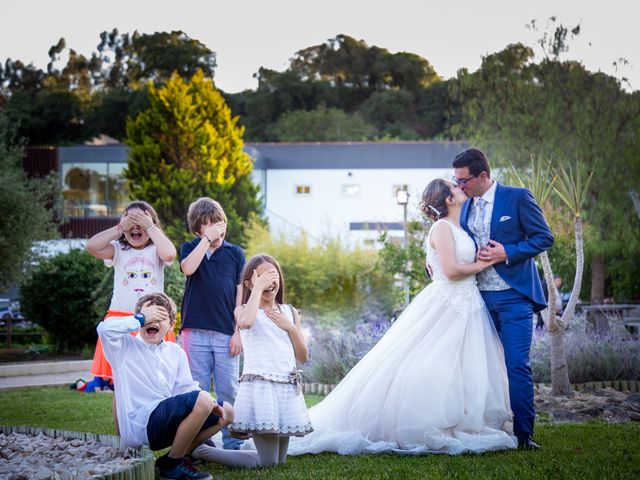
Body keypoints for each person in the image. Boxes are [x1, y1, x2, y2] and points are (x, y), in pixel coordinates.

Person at [288, 179, 515, 456]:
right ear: (448, 199)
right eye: (454, 186)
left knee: (463, 365)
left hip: (466, 304)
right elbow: (452, 271)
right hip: (448, 303)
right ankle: (424, 419)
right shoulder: (442, 228)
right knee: (431, 361)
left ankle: (466, 416)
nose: (460, 187)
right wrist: (487, 261)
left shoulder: (458, 225)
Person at [453, 148, 554, 450]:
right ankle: (486, 427)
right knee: (479, 366)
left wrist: (507, 252)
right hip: (477, 299)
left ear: (482, 175)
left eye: (463, 180)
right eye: (455, 181)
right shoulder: (463, 206)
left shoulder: (518, 197)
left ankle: (524, 434)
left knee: (516, 365)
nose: (459, 187)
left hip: (514, 298)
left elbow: (543, 238)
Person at [97, 292, 232, 480]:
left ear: (170, 325)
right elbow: (104, 329)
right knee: (203, 399)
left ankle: (172, 458)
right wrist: (140, 318)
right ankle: (172, 467)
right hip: (141, 425)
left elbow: (187, 388)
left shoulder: (175, 352)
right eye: (149, 315)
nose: (153, 320)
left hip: (166, 422)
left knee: (227, 411)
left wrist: (211, 403)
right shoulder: (123, 348)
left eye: (160, 317)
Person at [86, 201, 177, 431]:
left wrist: (150, 226)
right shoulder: (118, 249)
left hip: (154, 318)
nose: (136, 227)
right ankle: (123, 439)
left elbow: (170, 254)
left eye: (141, 223)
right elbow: (92, 247)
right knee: (122, 384)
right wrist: (119, 228)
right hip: (121, 319)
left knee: (157, 381)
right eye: (130, 222)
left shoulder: (156, 249)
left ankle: (159, 430)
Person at [179, 198, 245, 450]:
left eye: (219, 223)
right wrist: (206, 240)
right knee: (198, 391)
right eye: (208, 225)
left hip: (225, 333)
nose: (216, 229)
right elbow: (187, 269)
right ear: (198, 229)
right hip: (194, 332)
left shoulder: (235, 253)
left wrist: (237, 332)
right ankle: (199, 443)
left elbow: (240, 295)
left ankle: (233, 444)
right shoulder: (190, 247)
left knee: (229, 389)